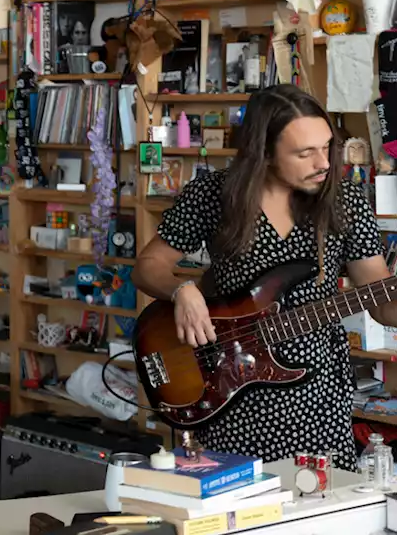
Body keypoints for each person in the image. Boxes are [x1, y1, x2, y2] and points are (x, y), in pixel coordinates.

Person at [133, 85, 396, 468]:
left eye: (327, 148)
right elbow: (148, 265)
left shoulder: (345, 201)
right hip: (228, 391)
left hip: (317, 400)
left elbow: (383, 304)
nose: (323, 163)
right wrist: (182, 290)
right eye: (305, 153)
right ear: (265, 153)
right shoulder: (214, 195)